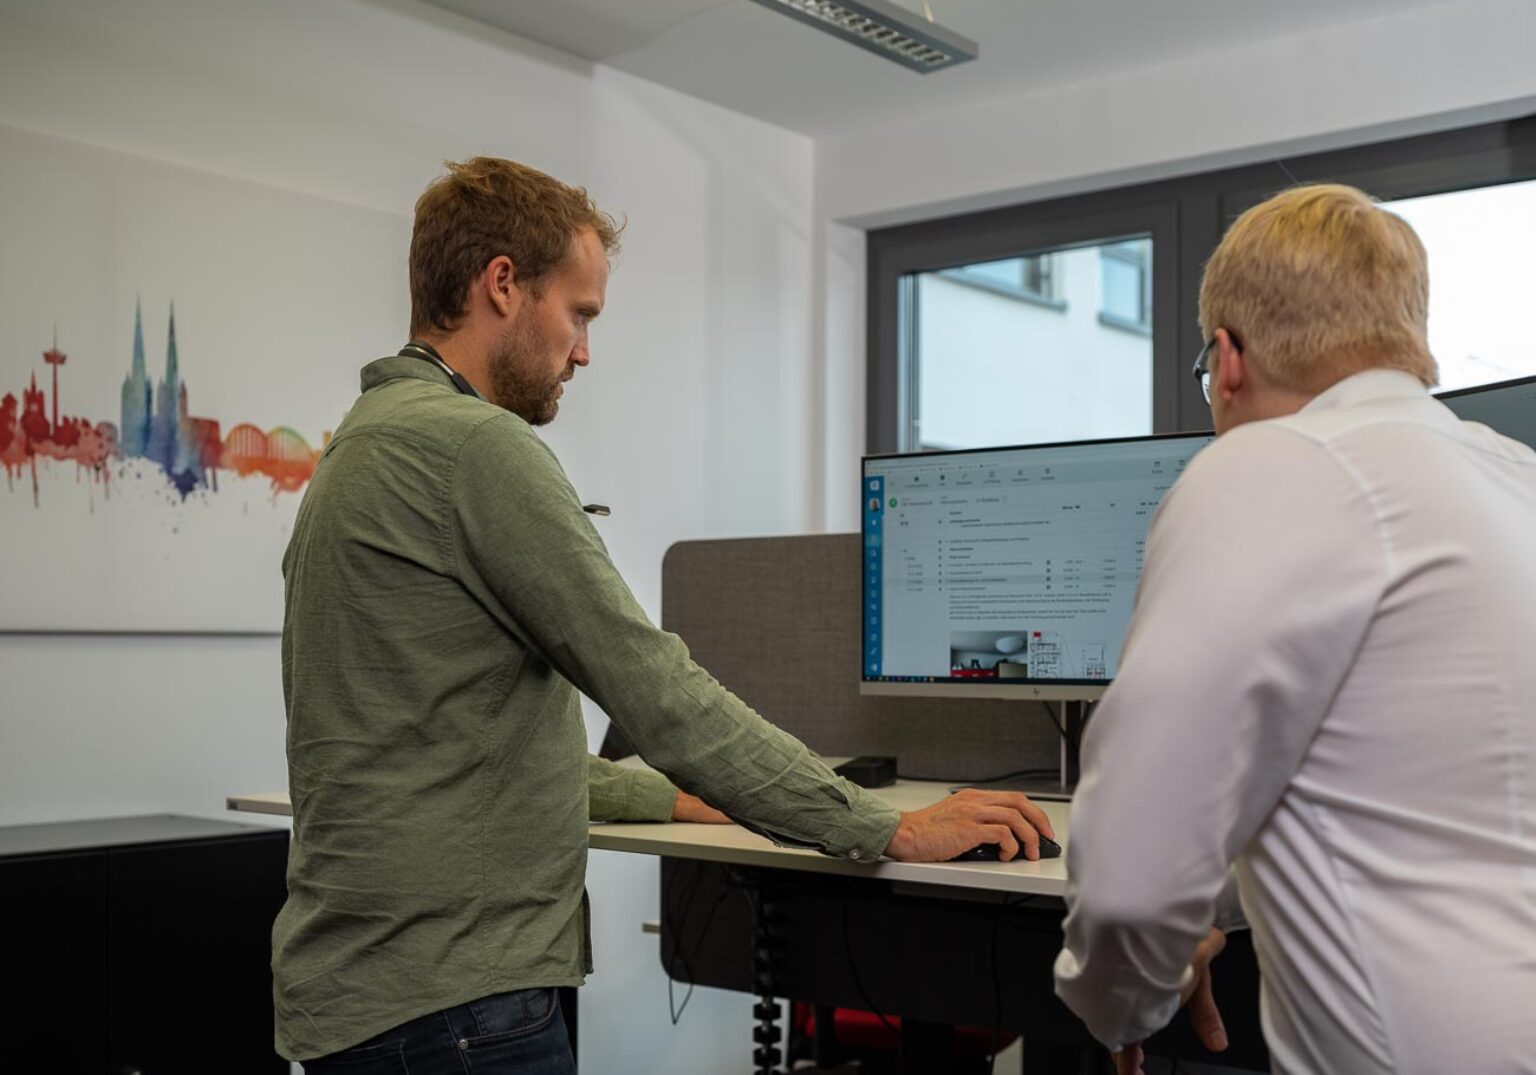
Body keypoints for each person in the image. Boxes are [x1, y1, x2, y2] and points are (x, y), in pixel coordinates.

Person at [275, 156, 1053, 1071]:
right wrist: (883, 825)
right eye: (580, 312)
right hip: (460, 1011)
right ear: (502, 284)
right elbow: (660, 694)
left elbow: (444, 742)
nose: (584, 350)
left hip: (360, 1002)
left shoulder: (358, 449)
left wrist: (676, 797)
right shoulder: (479, 449)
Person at [1054, 183, 1536, 1075]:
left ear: (1228, 359)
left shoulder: (1266, 465)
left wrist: (1125, 1000)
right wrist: (1206, 910)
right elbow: (1392, 809)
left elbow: (1126, 886)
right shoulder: (1517, 477)